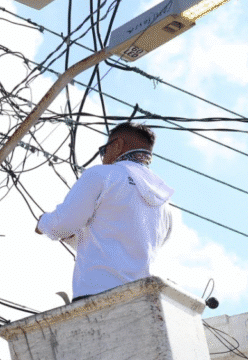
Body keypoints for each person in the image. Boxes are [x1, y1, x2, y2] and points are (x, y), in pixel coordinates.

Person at [36, 122, 174, 302]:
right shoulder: (164, 201)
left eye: (104, 150)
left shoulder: (103, 175)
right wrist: (74, 238)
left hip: (97, 295)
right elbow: (121, 240)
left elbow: (61, 225)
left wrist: (42, 223)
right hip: (141, 301)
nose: (103, 157)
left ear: (117, 145)